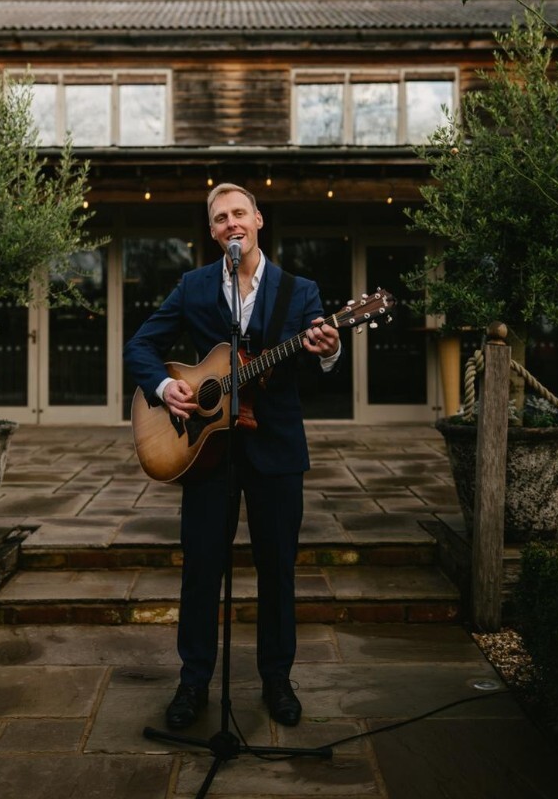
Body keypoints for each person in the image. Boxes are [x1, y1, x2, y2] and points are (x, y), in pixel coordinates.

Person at [123, 183, 340, 730]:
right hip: (206, 453)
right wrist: (162, 388)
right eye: (220, 218)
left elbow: (318, 360)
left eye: (239, 212)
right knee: (200, 571)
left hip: (276, 450)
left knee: (277, 572)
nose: (230, 223)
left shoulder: (299, 290)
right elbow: (139, 346)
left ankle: (277, 680)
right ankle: (193, 683)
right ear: (213, 231)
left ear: (258, 219)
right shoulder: (194, 286)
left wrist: (330, 348)